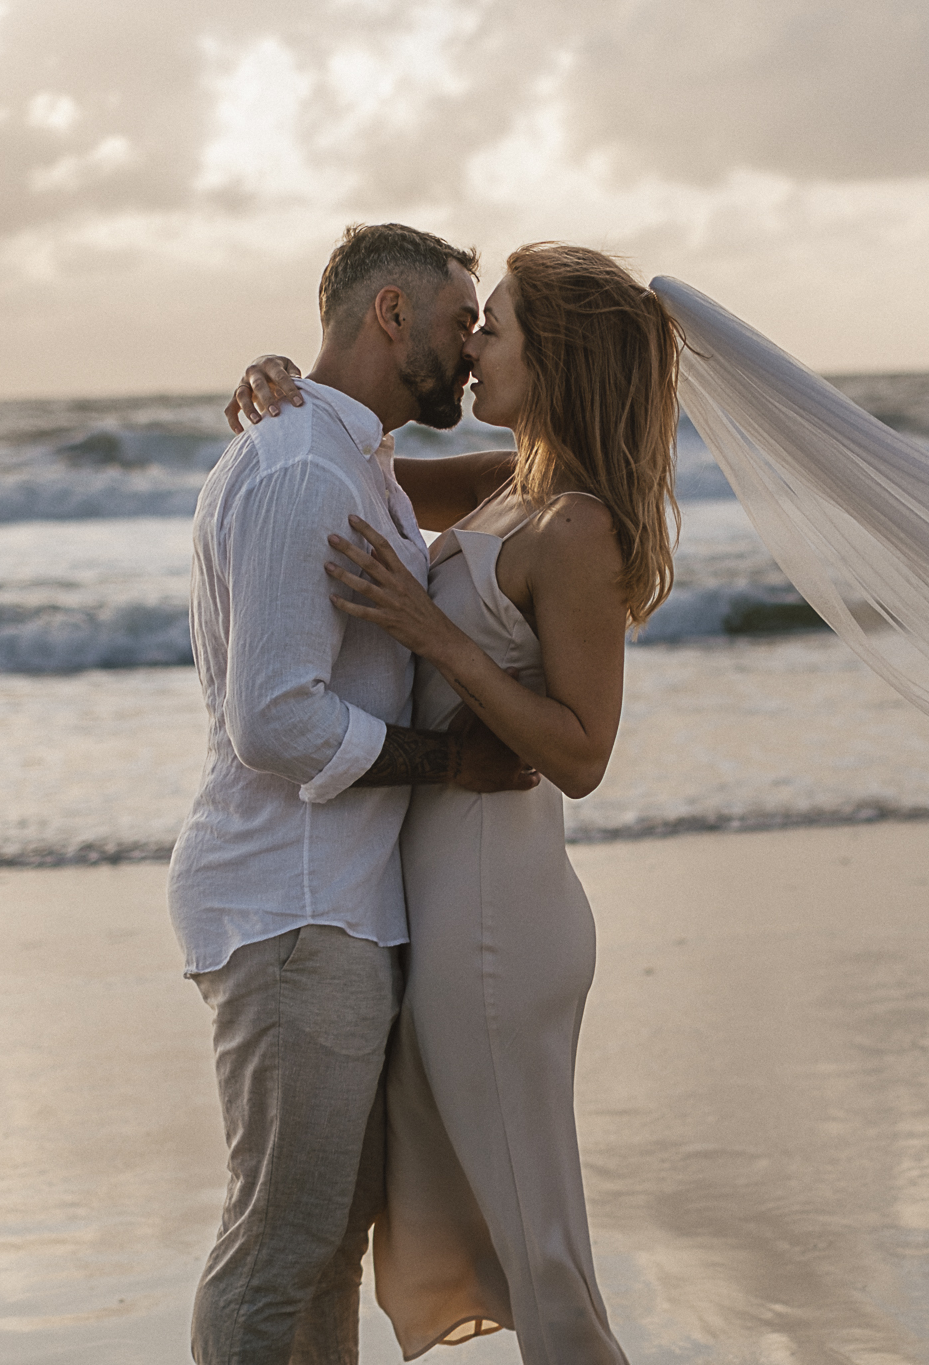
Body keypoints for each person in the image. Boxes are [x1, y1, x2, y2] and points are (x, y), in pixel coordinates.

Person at [229, 242, 681, 1364]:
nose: (475, 345)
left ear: (556, 357)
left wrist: (439, 642)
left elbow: (581, 753)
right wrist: (282, 386)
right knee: (516, 1242)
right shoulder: (505, 486)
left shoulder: (573, 528)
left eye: (499, 326)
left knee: (544, 1258)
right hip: (444, 908)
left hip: (497, 916)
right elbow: (345, 466)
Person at [169, 222, 537, 1365]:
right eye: (454, 320)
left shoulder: (355, 459)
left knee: (322, 1246)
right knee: (279, 1249)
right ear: (389, 315)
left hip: (333, 907)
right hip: (291, 910)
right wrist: (452, 762)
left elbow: (515, 477)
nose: (470, 346)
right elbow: (274, 721)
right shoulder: (297, 470)